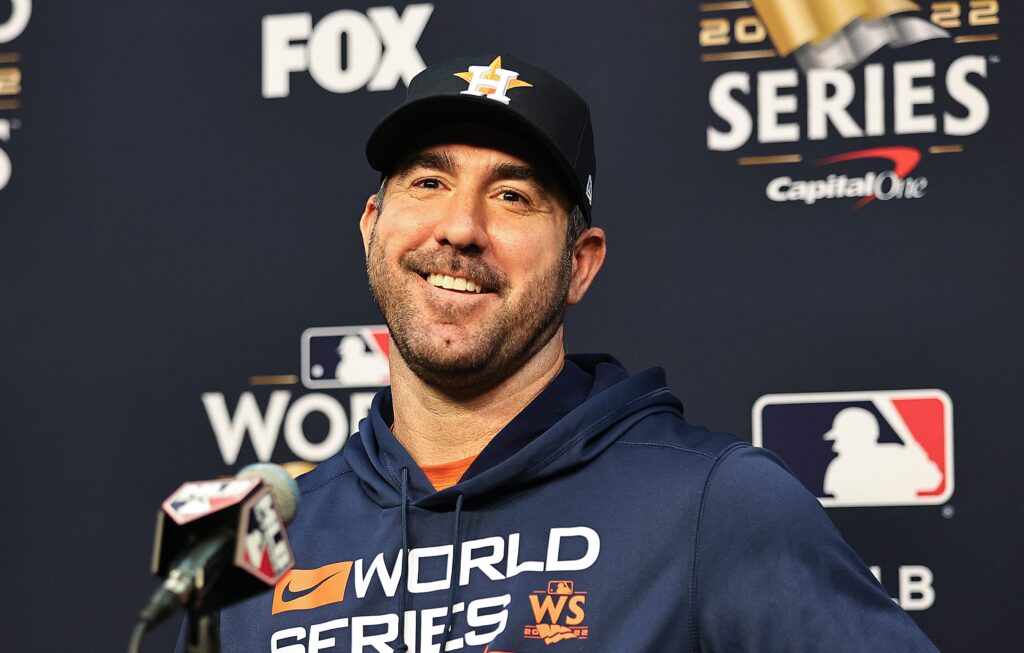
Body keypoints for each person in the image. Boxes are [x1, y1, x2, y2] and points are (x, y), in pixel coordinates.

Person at [180, 54, 938, 652]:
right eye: (429, 181)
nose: (460, 226)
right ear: (372, 225)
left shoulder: (715, 507)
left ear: (580, 262)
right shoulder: (262, 544)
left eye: (513, 196)